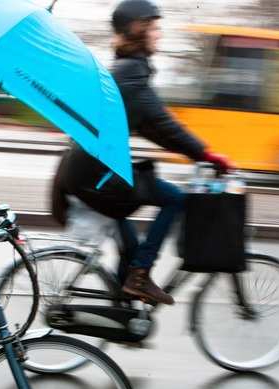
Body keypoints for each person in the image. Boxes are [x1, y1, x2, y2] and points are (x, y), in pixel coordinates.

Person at [52, 0, 234, 305]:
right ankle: (139, 276)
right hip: (96, 177)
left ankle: (123, 309)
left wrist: (194, 154)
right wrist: (207, 154)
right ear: (138, 31)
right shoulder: (132, 76)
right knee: (175, 198)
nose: (158, 34)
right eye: (154, 28)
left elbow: (152, 128)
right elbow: (164, 124)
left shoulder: (124, 70)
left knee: (131, 241)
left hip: (87, 172)